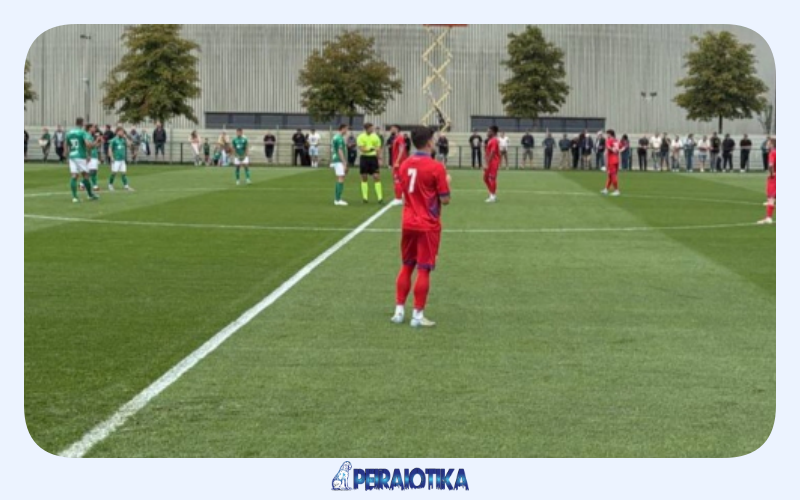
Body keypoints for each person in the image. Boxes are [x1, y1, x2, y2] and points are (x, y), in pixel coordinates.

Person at [391, 126, 452, 329]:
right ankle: (417, 315)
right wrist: (448, 182)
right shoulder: (436, 167)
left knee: (407, 265)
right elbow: (445, 200)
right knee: (424, 269)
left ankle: (399, 311)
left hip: (408, 221)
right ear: (429, 142)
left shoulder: (405, 164)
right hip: (427, 224)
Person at [64, 118, 98, 202]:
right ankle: (90, 195)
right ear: (82, 123)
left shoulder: (69, 132)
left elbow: (65, 144)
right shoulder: (82, 132)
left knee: (74, 176)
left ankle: (75, 197)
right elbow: (88, 145)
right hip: (80, 156)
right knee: (86, 175)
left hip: (72, 156)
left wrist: (66, 156)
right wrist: (94, 144)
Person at [357, 123, 384, 204]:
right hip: (364, 158)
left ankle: (380, 198)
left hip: (373, 158)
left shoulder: (375, 137)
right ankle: (365, 198)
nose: (372, 129)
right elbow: (362, 149)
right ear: (367, 128)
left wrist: (379, 158)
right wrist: (372, 148)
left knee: (376, 176)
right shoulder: (361, 137)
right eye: (371, 128)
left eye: (372, 128)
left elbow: (378, 148)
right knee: (364, 177)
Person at [108, 126, 134, 191]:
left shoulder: (123, 140)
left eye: (123, 132)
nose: (122, 133)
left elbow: (129, 145)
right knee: (114, 173)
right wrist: (111, 157)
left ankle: (126, 186)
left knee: (123, 173)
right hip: (116, 159)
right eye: (121, 131)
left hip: (122, 160)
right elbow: (110, 149)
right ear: (117, 132)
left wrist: (126, 138)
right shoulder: (113, 140)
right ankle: (110, 184)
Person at [330, 124, 349, 206]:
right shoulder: (339, 138)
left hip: (336, 159)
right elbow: (340, 150)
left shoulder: (335, 137)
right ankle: (337, 200)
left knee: (340, 177)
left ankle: (337, 198)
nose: (347, 131)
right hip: (339, 160)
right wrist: (344, 162)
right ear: (343, 129)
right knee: (341, 178)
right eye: (346, 129)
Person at [758, 138, 776, 225]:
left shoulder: (772, 153)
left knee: (771, 197)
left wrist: (772, 174)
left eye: (768, 143)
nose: (767, 144)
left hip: (774, 178)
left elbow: (771, 165)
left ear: (772, 144)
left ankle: (768, 217)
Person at [390, 125, 409, 207]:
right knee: (399, 180)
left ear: (397, 129)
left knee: (397, 179)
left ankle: (398, 199)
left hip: (399, 163)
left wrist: (397, 161)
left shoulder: (400, 138)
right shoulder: (396, 138)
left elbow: (401, 150)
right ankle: (402, 196)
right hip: (397, 161)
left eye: (392, 128)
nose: (391, 129)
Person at [601, 130, 621, 196]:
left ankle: (616, 190)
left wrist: (611, 149)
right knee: (610, 175)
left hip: (611, 160)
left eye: (607, 134)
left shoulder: (608, 140)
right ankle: (606, 189)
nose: (606, 135)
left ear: (610, 134)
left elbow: (608, 146)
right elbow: (621, 147)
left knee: (612, 175)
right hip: (616, 160)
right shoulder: (616, 140)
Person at [484, 126, 501, 203]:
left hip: (493, 162)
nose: (487, 132)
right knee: (485, 178)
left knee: (492, 178)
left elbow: (493, 152)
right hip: (490, 162)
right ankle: (492, 193)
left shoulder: (494, 140)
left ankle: (492, 196)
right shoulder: (490, 140)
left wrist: (487, 163)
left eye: (489, 131)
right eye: (487, 131)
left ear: (493, 132)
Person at [86, 124, 102, 190]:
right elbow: (89, 146)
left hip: (94, 155)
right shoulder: (87, 136)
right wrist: (97, 140)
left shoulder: (91, 136)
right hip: (91, 155)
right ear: (89, 128)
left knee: (94, 171)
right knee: (92, 171)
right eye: (93, 127)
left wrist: (99, 142)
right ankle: (94, 186)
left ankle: (83, 184)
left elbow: (94, 146)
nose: (95, 129)